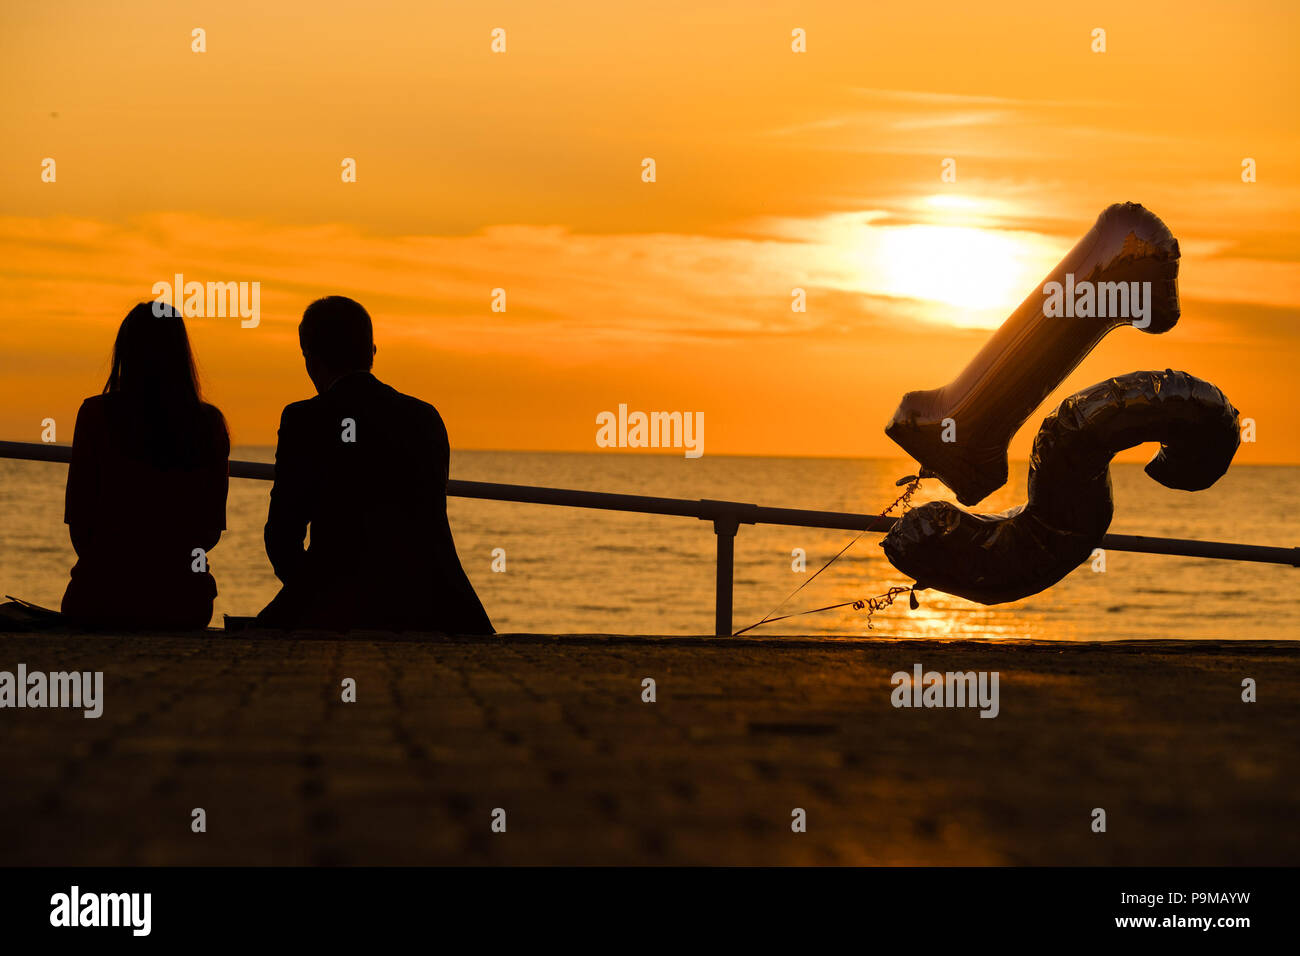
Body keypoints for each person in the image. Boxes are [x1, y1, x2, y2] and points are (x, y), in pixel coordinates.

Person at [257, 296, 492, 633]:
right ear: (372, 353)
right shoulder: (425, 417)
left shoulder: (304, 419)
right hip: (439, 607)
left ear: (310, 357)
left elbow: (282, 536)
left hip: (344, 606)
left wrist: (316, 594)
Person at [62, 302, 230, 629]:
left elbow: (80, 525)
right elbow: (209, 530)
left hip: (99, 598)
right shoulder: (208, 424)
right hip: (183, 600)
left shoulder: (96, 416)